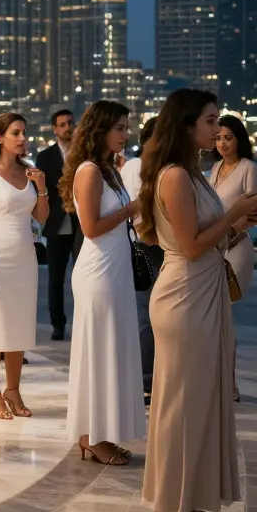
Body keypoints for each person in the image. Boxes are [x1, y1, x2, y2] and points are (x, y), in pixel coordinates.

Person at [138, 88, 257, 512]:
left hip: (203, 288)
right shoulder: (175, 175)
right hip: (185, 296)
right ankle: (171, 503)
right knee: (181, 405)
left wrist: (235, 226)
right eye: (210, 121)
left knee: (203, 402)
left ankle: (190, 497)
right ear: (188, 125)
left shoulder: (193, 173)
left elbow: (205, 240)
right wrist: (234, 215)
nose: (217, 128)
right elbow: (189, 246)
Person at [64, 100, 147, 466]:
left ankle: (103, 430)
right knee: (98, 351)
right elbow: (91, 228)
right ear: (100, 130)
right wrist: (134, 208)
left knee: (113, 349)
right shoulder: (89, 172)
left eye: (127, 128)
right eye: (119, 128)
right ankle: (90, 434)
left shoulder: (110, 170)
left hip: (116, 269)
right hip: (98, 270)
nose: (126, 135)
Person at [0, 112, 47, 420]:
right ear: (0, 137)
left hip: (24, 258)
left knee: (18, 326)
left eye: (24, 132)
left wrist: (41, 186)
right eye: (16, 132)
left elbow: (41, 218)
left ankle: (13, 390)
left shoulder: (30, 171)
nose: (22, 138)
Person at [209, 114, 257, 402]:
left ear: (239, 139)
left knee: (224, 313)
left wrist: (233, 234)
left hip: (238, 247)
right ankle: (220, 380)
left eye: (228, 137)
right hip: (216, 247)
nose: (222, 143)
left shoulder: (248, 168)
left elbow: (255, 212)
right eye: (218, 137)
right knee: (216, 316)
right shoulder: (215, 168)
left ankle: (229, 384)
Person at [120, 116, 159, 401]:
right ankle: (146, 380)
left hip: (161, 244)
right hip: (145, 244)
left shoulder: (164, 167)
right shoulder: (135, 167)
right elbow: (131, 210)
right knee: (146, 315)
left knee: (155, 315)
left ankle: (155, 377)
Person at [35, 108, 79, 340]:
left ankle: (82, 322)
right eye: (62, 124)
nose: (67, 128)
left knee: (82, 276)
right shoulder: (45, 157)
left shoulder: (84, 155)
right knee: (56, 278)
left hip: (82, 223)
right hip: (56, 224)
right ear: (54, 129)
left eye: (70, 123)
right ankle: (58, 325)